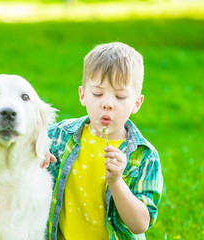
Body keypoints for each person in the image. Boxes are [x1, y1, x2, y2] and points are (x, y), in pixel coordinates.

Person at [46, 42, 163, 240]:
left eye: (120, 96)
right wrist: (36, 152)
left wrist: (117, 181)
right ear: (82, 95)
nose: (107, 104)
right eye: (98, 94)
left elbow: (139, 224)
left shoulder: (143, 156)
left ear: (136, 103)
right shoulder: (58, 135)